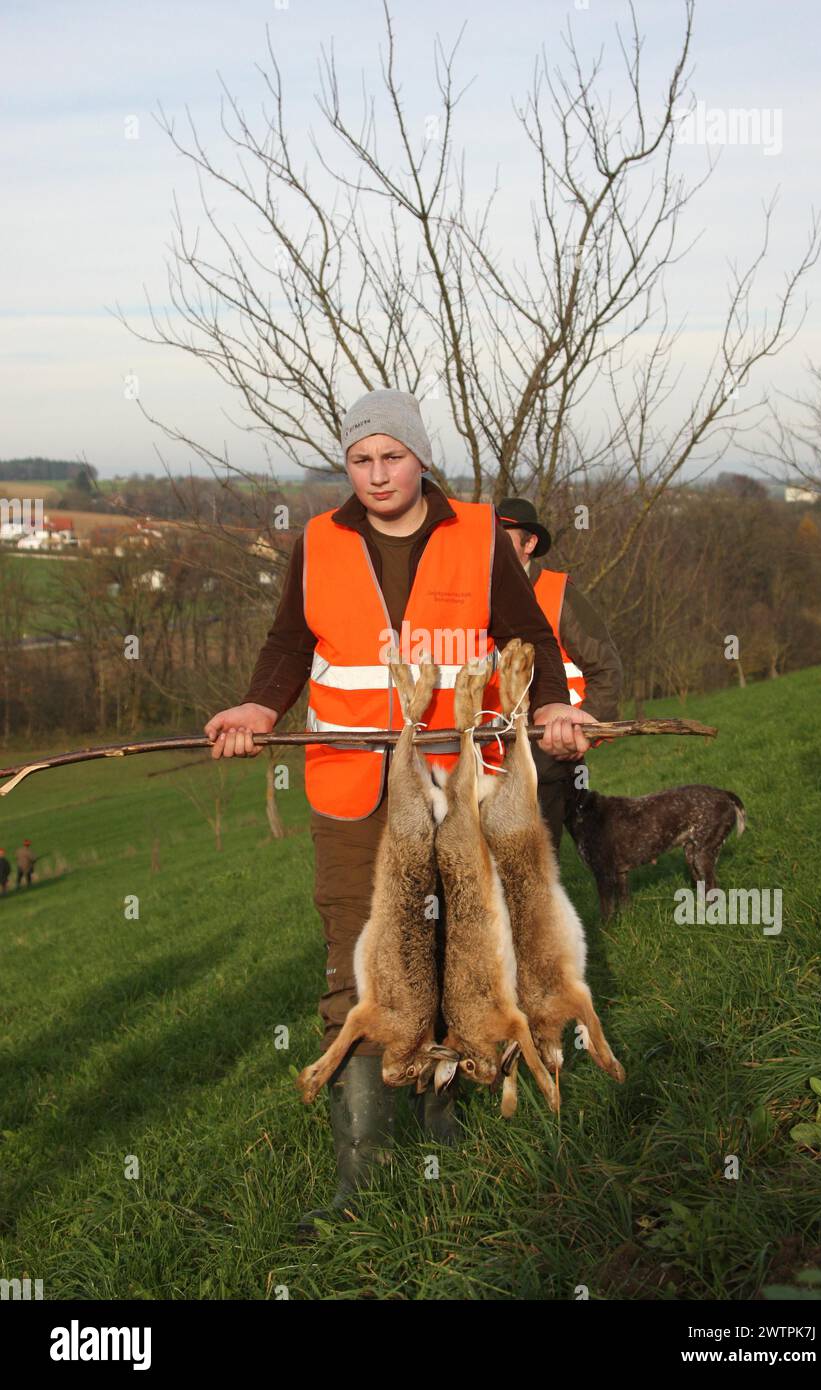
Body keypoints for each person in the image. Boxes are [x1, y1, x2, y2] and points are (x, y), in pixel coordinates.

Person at [204, 387, 598, 1234]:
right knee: (361, 947)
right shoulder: (317, 542)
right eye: (360, 460)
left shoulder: (478, 533)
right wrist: (257, 709)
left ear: (421, 459)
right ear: (346, 468)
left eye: (392, 456)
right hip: (351, 782)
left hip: (456, 782)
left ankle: (446, 1131)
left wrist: (553, 709)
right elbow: (288, 643)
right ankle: (360, 1174)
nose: (378, 475)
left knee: (459, 937)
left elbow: (530, 630)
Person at [495, 497, 623, 851]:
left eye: (504, 537)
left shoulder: (558, 594)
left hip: (546, 755)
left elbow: (606, 667)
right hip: (490, 752)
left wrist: (582, 733)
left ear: (530, 543)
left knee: (536, 864)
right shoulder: (478, 593)